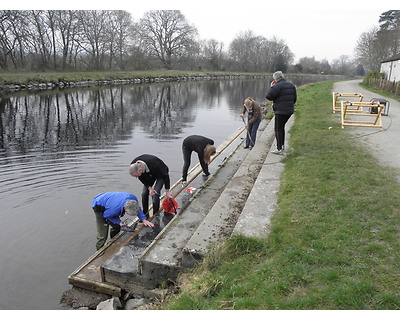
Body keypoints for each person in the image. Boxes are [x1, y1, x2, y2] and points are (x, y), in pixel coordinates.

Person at [265, 71, 297, 155]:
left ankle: (280, 148)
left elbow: (269, 96)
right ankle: (281, 146)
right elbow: (294, 99)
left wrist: (272, 87)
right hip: (289, 110)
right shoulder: (291, 85)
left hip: (280, 111)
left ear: (276, 79)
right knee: (281, 127)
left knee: (278, 129)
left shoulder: (276, 86)